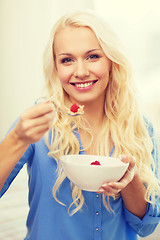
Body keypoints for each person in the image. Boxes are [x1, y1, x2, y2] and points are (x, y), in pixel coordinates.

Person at [0, 9, 160, 240]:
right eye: (67, 60)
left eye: (93, 56)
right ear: (56, 68)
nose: (81, 72)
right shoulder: (38, 123)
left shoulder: (141, 127)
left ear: (111, 61)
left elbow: (145, 228)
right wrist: (16, 139)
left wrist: (130, 180)